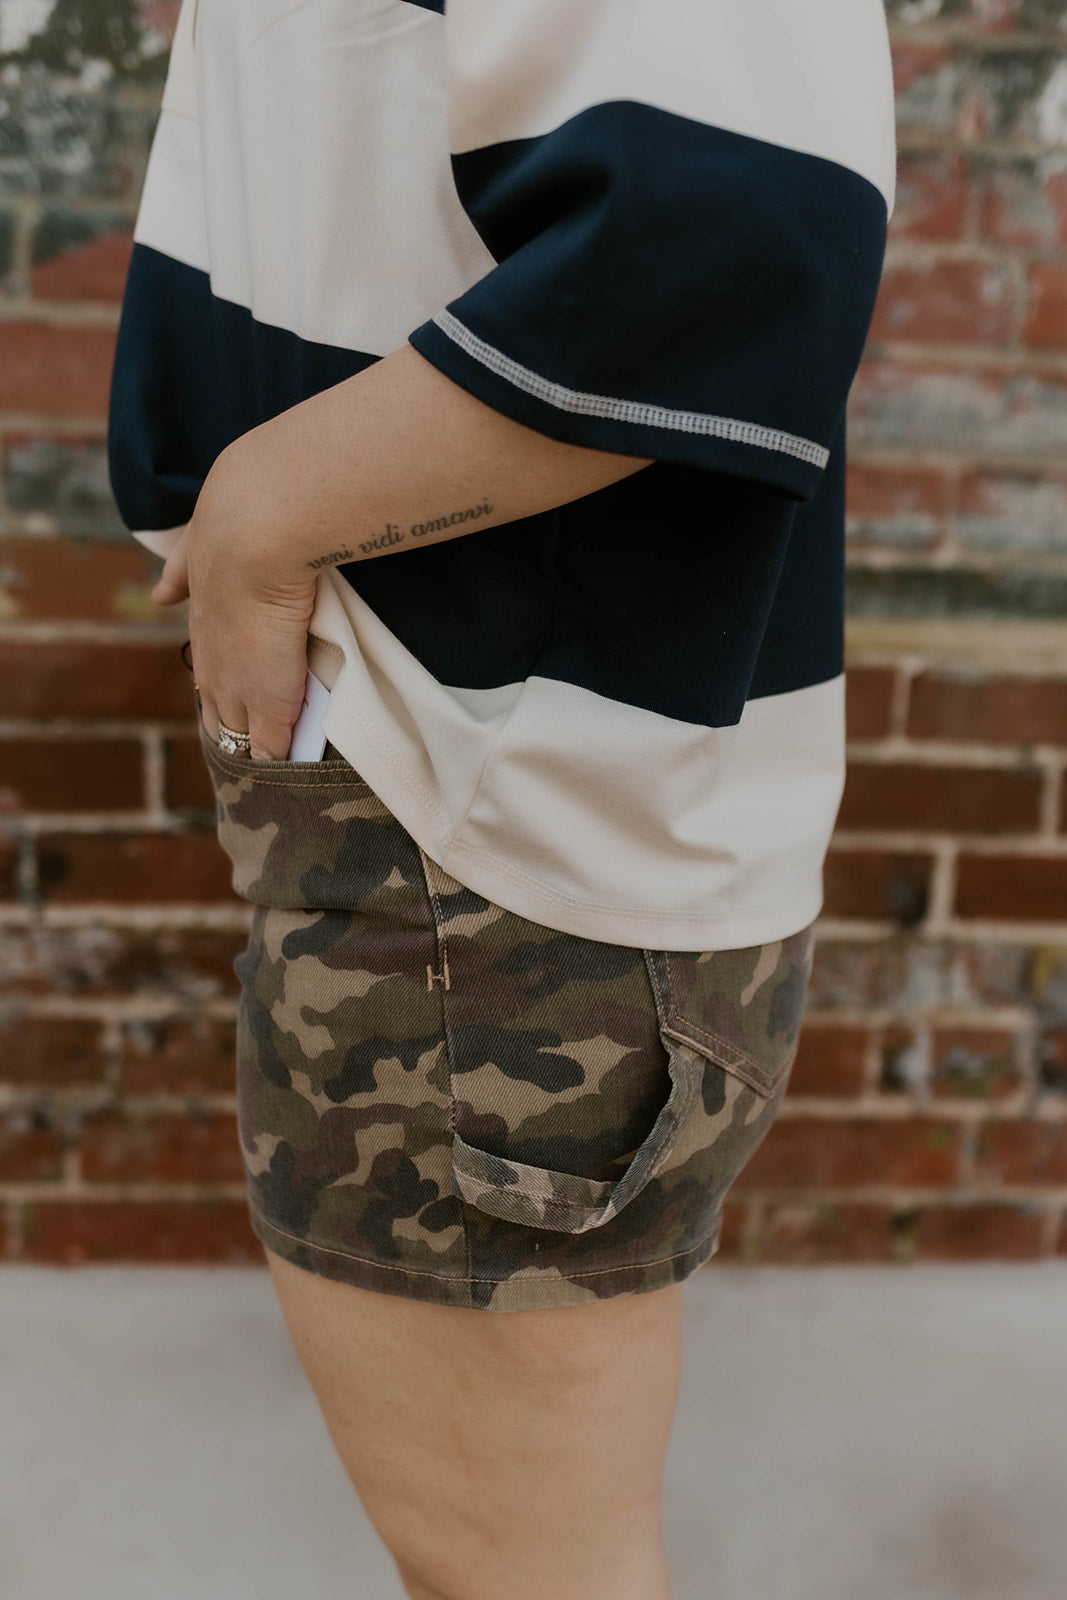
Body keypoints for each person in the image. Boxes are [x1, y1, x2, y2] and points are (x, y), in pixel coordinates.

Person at [106, 2, 897, 1595]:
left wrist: (265, 513)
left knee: (520, 1568)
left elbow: (729, 240)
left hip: (482, 814)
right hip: (467, 792)